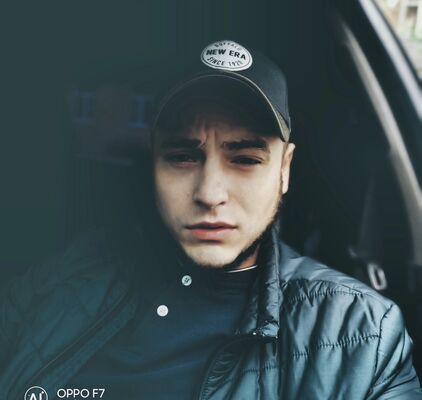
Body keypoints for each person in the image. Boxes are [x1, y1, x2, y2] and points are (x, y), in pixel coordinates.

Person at [0, 39, 421, 400]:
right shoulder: (58, 280)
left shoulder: (362, 334)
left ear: (285, 169)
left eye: (245, 159)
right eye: (182, 157)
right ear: (153, 162)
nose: (209, 194)